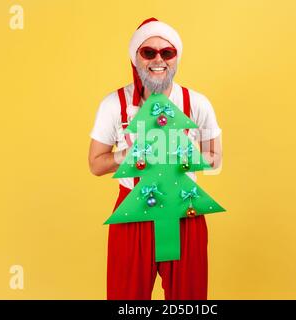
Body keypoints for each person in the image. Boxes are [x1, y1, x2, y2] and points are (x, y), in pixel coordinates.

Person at [88, 17, 222, 300]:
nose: (158, 59)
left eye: (167, 52)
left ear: (176, 58)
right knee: (127, 301)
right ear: (135, 58)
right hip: (132, 215)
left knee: (189, 300)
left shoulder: (196, 103)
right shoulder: (115, 105)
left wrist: (178, 154)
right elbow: (95, 164)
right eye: (148, 52)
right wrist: (128, 154)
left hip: (185, 212)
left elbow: (215, 158)